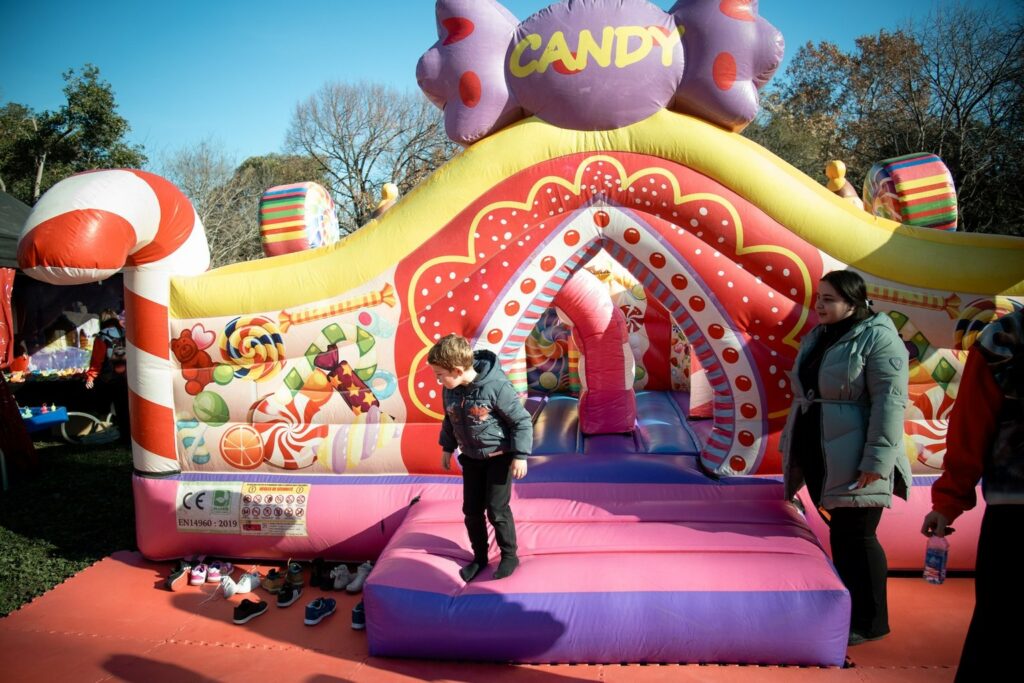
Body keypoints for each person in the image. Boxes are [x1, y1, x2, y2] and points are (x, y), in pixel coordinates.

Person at [780, 269, 911, 646]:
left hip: (855, 454)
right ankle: (850, 612)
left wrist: (876, 461)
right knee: (843, 534)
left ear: (853, 303)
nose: (820, 306)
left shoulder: (879, 338)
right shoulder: (820, 335)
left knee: (859, 535)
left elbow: (890, 403)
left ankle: (871, 622)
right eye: (819, 298)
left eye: (829, 299)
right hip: (825, 451)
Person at [921, 309, 1023, 681]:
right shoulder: (1005, 338)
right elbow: (971, 425)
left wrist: (949, 500)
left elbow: (970, 426)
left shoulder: (1005, 337)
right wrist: (948, 500)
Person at [427, 333, 533, 582]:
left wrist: (520, 455)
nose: (438, 380)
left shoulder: (496, 386)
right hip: (471, 458)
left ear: (457, 370)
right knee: (471, 510)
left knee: (496, 509)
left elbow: (521, 421)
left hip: (499, 457)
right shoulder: (450, 391)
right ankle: (480, 557)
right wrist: (447, 447)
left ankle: (509, 555)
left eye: (440, 375)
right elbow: (450, 418)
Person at [85, 309, 130, 445]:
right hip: (128, 377)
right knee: (126, 408)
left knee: (113, 408)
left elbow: (97, 361)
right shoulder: (126, 333)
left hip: (110, 378)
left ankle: (122, 435)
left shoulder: (102, 337)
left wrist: (90, 377)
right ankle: (129, 436)